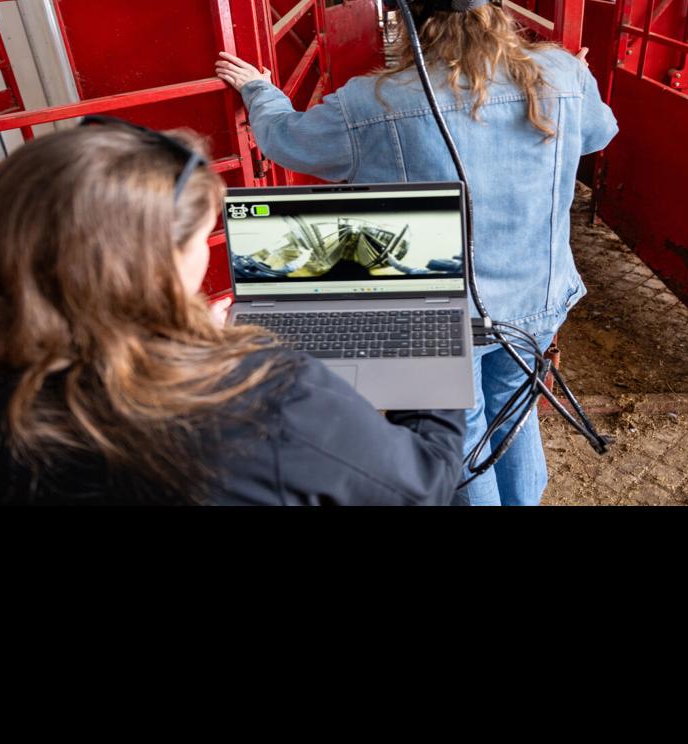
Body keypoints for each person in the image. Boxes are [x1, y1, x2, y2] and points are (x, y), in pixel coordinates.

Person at [0, 119, 465, 505]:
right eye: (204, 238)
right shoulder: (264, 399)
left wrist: (172, 335)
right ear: (150, 271)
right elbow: (424, 486)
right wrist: (429, 368)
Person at [215, 0, 618, 506]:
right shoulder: (562, 72)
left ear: (408, 21)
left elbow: (289, 142)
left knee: (463, 437)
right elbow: (600, 133)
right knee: (515, 413)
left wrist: (259, 90)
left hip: (440, 315)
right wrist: (574, 82)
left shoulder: (371, 101)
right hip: (538, 299)